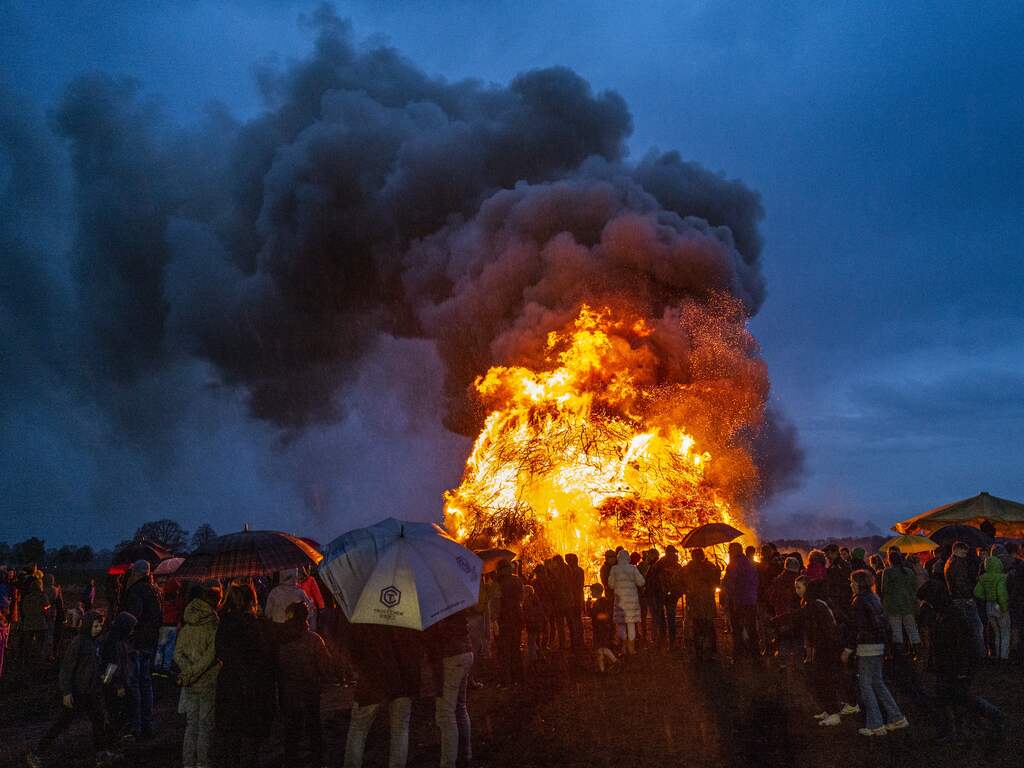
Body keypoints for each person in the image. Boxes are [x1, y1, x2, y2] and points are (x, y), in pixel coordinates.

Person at [917, 579, 1004, 743]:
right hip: (947, 665)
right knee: (951, 698)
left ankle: (990, 717)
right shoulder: (942, 613)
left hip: (956, 666)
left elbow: (963, 645)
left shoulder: (953, 616)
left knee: (961, 699)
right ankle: (958, 731)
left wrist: (962, 671)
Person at [27, 611, 112, 768]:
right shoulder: (78, 643)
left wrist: (99, 676)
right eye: (95, 625)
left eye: (100, 625)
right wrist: (66, 692)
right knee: (61, 724)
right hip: (77, 692)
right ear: (87, 625)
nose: (99, 628)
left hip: (91, 693)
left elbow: (92, 665)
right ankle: (36, 753)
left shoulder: (95, 642)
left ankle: (101, 755)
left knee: (99, 722)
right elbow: (66, 669)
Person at [343, 620, 424, 768]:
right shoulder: (410, 614)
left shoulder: (366, 614)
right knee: (400, 729)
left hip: (373, 679)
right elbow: (419, 647)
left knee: (359, 729)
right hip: (404, 679)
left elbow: (354, 647)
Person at [214, 582, 276, 768]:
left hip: (230, 683)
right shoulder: (257, 626)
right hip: (253, 686)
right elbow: (265, 656)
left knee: (232, 736)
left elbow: (220, 652)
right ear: (252, 601)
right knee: (252, 737)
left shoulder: (223, 623)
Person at [771, 577, 847, 726]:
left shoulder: (814, 605)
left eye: (799, 587)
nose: (796, 591)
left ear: (807, 588)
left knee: (823, 679)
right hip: (825, 646)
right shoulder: (816, 603)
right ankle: (829, 709)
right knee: (821, 679)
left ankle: (834, 713)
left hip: (827, 647)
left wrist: (775, 621)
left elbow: (796, 616)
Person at [843, 569, 908, 736]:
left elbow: (856, 627)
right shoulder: (874, 598)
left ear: (857, 583)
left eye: (851, 582)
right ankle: (896, 717)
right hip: (878, 646)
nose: (850, 585)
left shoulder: (858, 601)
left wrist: (848, 649)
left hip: (866, 648)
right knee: (878, 682)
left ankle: (875, 724)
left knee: (866, 686)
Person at [278, 601, 333, 768]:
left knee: (291, 731)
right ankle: (317, 760)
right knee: (313, 728)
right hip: (310, 692)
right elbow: (325, 667)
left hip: (289, 693)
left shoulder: (281, 640)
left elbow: (277, 666)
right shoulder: (314, 640)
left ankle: (290, 760)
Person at [174, 586, 221, 768]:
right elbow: (210, 656)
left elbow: (177, 653)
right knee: (205, 726)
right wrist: (194, 672)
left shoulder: (187, 624)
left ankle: (187, 763)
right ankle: (202, 763)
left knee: (190, 725)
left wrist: (187, 673)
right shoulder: (213, 625)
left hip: (189, 683)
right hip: (207, 681)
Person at [426, 609, 474, 768]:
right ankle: (465, 754)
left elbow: (435, 638)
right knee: (460, 707)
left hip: (450, 656)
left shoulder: (433, 607)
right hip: (465, 651)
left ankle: (448, 763)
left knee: (445, 714)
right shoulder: (452, 598)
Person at [122, 560, 162, 740]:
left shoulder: (136, 591)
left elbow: (132, 618)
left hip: (136, 643)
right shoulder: (155, 590)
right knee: (146, 683)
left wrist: (125, 635)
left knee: (134, 684)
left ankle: (136, 725)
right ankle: (147, 724)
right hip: (151, 641)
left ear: (136, 573)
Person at [100, 612, 138, 740]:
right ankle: (113, 738)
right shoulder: (114, 643)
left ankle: (115, 735)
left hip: (116, 682)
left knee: (121, 710)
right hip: (115, 684)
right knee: (118, 710)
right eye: (131, 628)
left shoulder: (118, 639)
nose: (132, 631)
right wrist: (118, 685)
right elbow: (112, 666)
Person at [944, 541, 985, 659]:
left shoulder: (949, 562)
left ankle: (969, 655)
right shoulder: (957, 564)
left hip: (957, 599)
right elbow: (961, 583)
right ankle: (980, 656)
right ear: (956, 550)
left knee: (966, 629)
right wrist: (971, 595)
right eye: (964, 553)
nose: (965, 555)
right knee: (977, 627)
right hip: (964, 599)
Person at [680, 549, 720, 660]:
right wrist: (718, 572)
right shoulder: (710, 567)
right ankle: (712, 651)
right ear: (702, 556)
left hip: (695, 604)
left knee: (697, 628)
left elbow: (676, 580)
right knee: (709, 628)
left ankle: (699, 652)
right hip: (707, 603)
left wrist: (685, 590)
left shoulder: (687, 568)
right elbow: (717, 583)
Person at [722, 542, 759, 661]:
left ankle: (738, 655)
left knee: (737, 628)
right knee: (751, 628)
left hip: (738, 601)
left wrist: (724, 583)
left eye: (730, 550)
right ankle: (755, 654)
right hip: (751, 600)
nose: (729, 553)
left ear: (735, 551)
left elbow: (730, 584)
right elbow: (755, 581)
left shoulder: (733, 564)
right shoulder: (750, 562)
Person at [880, 551, 921, 652]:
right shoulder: (909, 572)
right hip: (908, 605)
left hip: (893, 606)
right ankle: (917, 652)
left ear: (889, 560)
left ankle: (900, 655)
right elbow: (915, 588)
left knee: (897, 631)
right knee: (912, 630)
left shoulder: (887, 572)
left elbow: (884, 590)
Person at [607, 549, 645, 655]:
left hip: (620, 602)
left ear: (618, 558)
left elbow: (611, 585)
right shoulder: (633, 569)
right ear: (628, 558)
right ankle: (631, 648)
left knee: (621, 624)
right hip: (631, 602)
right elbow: (641, 582)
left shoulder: (614, 569)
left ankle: (623, 648)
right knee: (631, 624)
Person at [974, 554, 1010, 661]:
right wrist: (1004, 607)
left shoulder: (983, 578)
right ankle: (1004, 656)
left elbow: (977, 592)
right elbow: (1002, 594)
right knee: (1005, 632)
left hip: (988, 606)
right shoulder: (1002, 577)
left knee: (996, 632)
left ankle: (996, 654)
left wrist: (987, 597)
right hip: (999, 605)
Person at [767, 557, 802, 666]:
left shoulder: (777, 580)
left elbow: (771, 598)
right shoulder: (799, 581)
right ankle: (797, 664)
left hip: (781, 615)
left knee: (783, 640)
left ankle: (783, 664)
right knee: (797, 640)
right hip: (796, 616)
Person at [495, 559, 524, 686]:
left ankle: (505, 680)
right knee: (515, 649)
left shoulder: (498, 583)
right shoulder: (517, 580)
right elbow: (521, 598)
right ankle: (517, 678)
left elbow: (495, 602)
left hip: (504, 619)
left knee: (504, 651)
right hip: (517, 618)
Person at [19, 570, 49, 664]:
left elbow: (23, 609)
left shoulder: (27, 597)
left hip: (29, 622)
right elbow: (47, 607)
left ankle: (25, 659)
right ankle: (39, 660)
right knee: (40, 643)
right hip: (40, 622)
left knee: (27, 643)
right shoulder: (43, 596)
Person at [155, 577, 182, 676]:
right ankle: (166, 667)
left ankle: (157, 666)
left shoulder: (162, 598)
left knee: (160, 648)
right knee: (169, 648)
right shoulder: (178, 599)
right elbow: (180, 611)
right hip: (173, 626)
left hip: (163, 625)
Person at [588, 584, 617, 672]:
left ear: (596, 592)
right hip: (603, 629)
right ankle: (602, 669)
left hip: (600, 630)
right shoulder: (605, 602)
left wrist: (589, 607)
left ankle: (614, 661)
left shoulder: (599, 603)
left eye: (592, 591)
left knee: (601, 648)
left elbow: (593, 614)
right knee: (600, 649)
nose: (591, 593)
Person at [564, 553, 586, 650]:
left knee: (573, 621)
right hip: (578, 598)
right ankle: (580, 641)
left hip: (573, 599)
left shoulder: (570, 571)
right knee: (578, 621)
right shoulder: (580, 570)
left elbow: (570, 585)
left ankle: (575, 642)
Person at [43, 574, 65, 662]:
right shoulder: (55, 590)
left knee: (44, 632)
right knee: (50, 633)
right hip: (52, 613)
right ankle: (48, 654)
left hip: (43, 613)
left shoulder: (42, 589)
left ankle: (43, 651)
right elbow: (60, 604)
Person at [522, 585, 545, 664]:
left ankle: (533, 657)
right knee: (533, 640)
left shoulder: (527, 601)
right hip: (536, 623)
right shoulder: (536, 600)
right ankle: (538, 653)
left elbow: (527, 614)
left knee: (531, 641)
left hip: (532, 624)